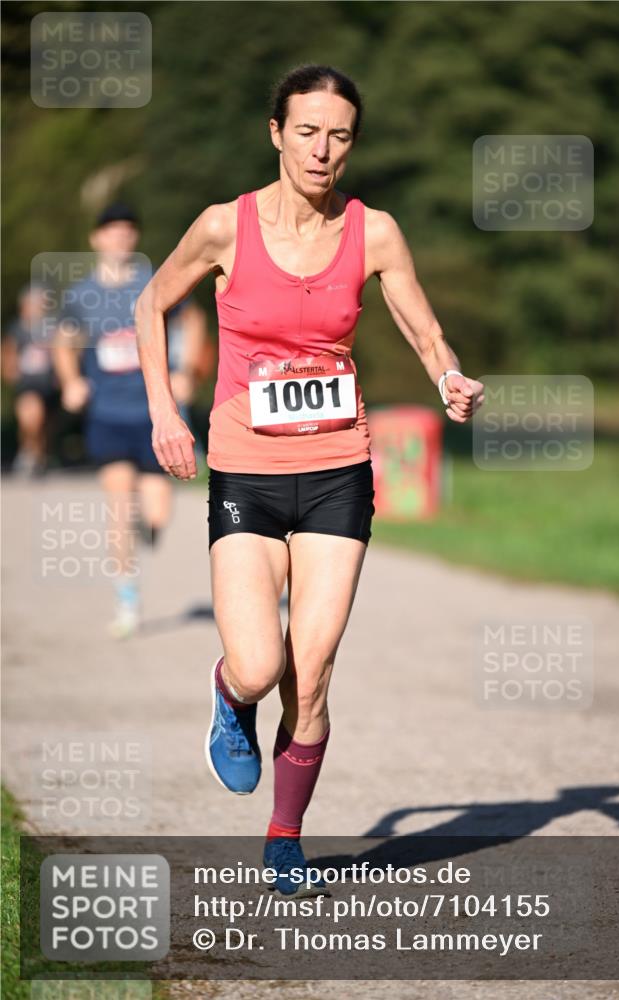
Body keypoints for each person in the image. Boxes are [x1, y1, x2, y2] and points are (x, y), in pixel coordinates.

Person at [135, 65, 484, 895]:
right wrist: (165, 414)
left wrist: (447, 377)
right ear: (276, 133)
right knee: (259, 666)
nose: (322, 150)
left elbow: (423, 330)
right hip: (246, 470)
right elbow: (150, 305)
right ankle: (230, 695)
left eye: (339, 136)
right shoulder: (224, 226)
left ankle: (285, 837)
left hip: (336, 471)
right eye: (307, 132)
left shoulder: (375, 233)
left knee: (313, 668)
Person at [53, 201, 206, 638]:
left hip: (155, 412)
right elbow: (64, 341)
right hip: (107, 413)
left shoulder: (155, 281)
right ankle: (127, 601)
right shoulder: (81, 294)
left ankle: (149, 526)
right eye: (111, 230)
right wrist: (71, 381)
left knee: (157, 511)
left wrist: (186, 370)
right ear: (96, 239)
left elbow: (193, 320)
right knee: (118, 507)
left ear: (134, 237)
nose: (120, 237)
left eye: (127, 230)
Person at [2, 283, 60, 475]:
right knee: (31, 419)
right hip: (28, 384)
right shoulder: (17, 329)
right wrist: (10, 372)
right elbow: (8, 353)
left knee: (45, 425)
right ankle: (28, 453)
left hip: (50, 385)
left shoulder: (52, 328)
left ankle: (40, 455)